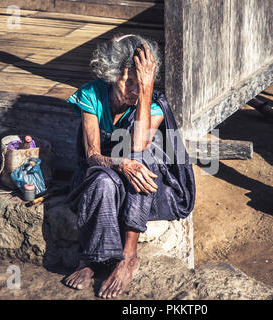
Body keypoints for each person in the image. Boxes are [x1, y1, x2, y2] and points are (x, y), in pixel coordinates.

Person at [63, 34, 195, 299]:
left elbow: (137, 144)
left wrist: (146, 89)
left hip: (150, 188)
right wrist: (120, 164)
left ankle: (128, 255)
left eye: (141, 83)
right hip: (103, 177)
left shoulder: (153, 103)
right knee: (102, 180)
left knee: (141, 158)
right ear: (112, 76)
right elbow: (92, 155)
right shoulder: (92, 94)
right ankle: (91, 259)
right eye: (129, 82)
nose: (135, 90)